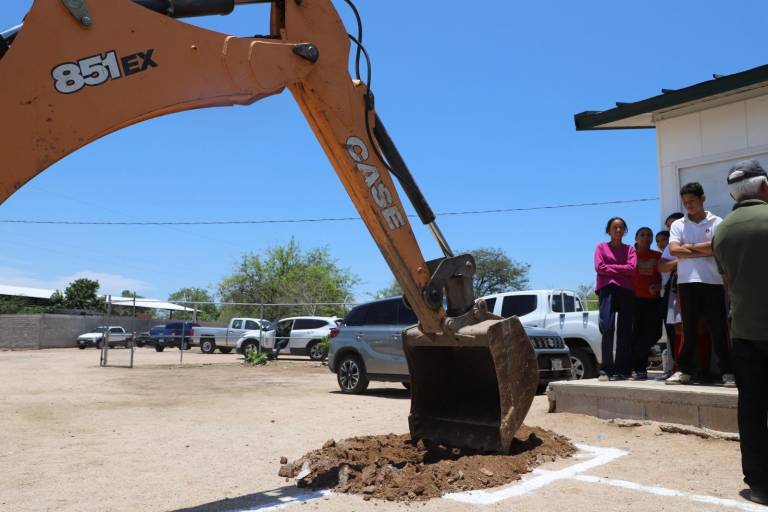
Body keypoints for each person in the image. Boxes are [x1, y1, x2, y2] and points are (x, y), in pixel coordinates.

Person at [711, 159, 768, 505]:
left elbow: (727, 284)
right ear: (764, 186)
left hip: (745, 331)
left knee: (751, 408)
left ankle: (760, 483)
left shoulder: (723, 231)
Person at [666, 183, 733, 386]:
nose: (689, 206)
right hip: (687, 284)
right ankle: (684, 370)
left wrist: (688, 247)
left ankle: (728, 372)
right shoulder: (678, 224)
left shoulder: (717, 222)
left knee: (718, 328)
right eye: (685, 203)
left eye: (692, 201)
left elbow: (716, 248)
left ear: (703, 198)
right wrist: (703, 249)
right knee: (689, 329)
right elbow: (674, 250)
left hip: (713, 282)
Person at [594, 217, 636, 381]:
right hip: (607, 289)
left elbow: (631, 268)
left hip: (626, 290)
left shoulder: (630, 249)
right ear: (608, 230)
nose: (618, 230)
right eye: (614, 227)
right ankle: (606, 369)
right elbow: (599, 267)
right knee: (608, 327)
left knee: (625, 330)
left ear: (625, 230)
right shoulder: (601, 247)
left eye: (621, 227)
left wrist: (610, 268)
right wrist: (621, 269)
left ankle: (622, 369)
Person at [630, 227, 661, 380]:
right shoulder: (629, 255)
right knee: (636, 334)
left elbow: (665, 277)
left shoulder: (658, 256)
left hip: (653, 301)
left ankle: (633, 356)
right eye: (642, 234)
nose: (646, 237)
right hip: (634, 300)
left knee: (655, 333)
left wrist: (659, 286)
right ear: (636, 238)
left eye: (649, 235)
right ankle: (639, 368)